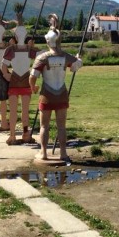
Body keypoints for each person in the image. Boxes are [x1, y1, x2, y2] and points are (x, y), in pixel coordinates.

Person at [29, 14, 82, 162]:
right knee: (61, 127)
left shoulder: (42, 57)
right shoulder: (65, 57)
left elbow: (33, 75)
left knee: (44, 126)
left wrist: (33, 87)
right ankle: (63, 153)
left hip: (46, 94)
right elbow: (77, 65)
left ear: (47, 41)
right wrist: (78, 58)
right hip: (62, 94)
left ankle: (44, 152)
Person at [1, 25, 38, 145]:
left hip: (19, 81)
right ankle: (19, 135)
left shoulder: (13, 49)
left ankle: (17, 135)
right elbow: (4, 67)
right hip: (21, 81)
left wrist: (7, 75)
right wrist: (6, 75)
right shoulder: (24, 49)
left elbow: (4, 67)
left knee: (17, 111)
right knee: (21, 111)